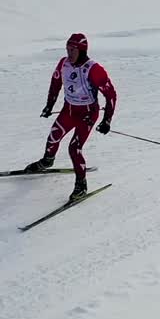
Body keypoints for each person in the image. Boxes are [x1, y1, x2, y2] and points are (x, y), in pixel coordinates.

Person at [25, 33, 117, 202]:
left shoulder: (93, 69)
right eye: (67, 49)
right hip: (68, 110)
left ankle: (81, 185)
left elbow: (111, 95)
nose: (69, 53)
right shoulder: (64, 63)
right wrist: (49, 105)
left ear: (82, 50)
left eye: (73, 50)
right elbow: (55, 84)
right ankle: (47, 161)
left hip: (87, 114)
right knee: (53, 136)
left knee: (74, 148)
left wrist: (107, 120)